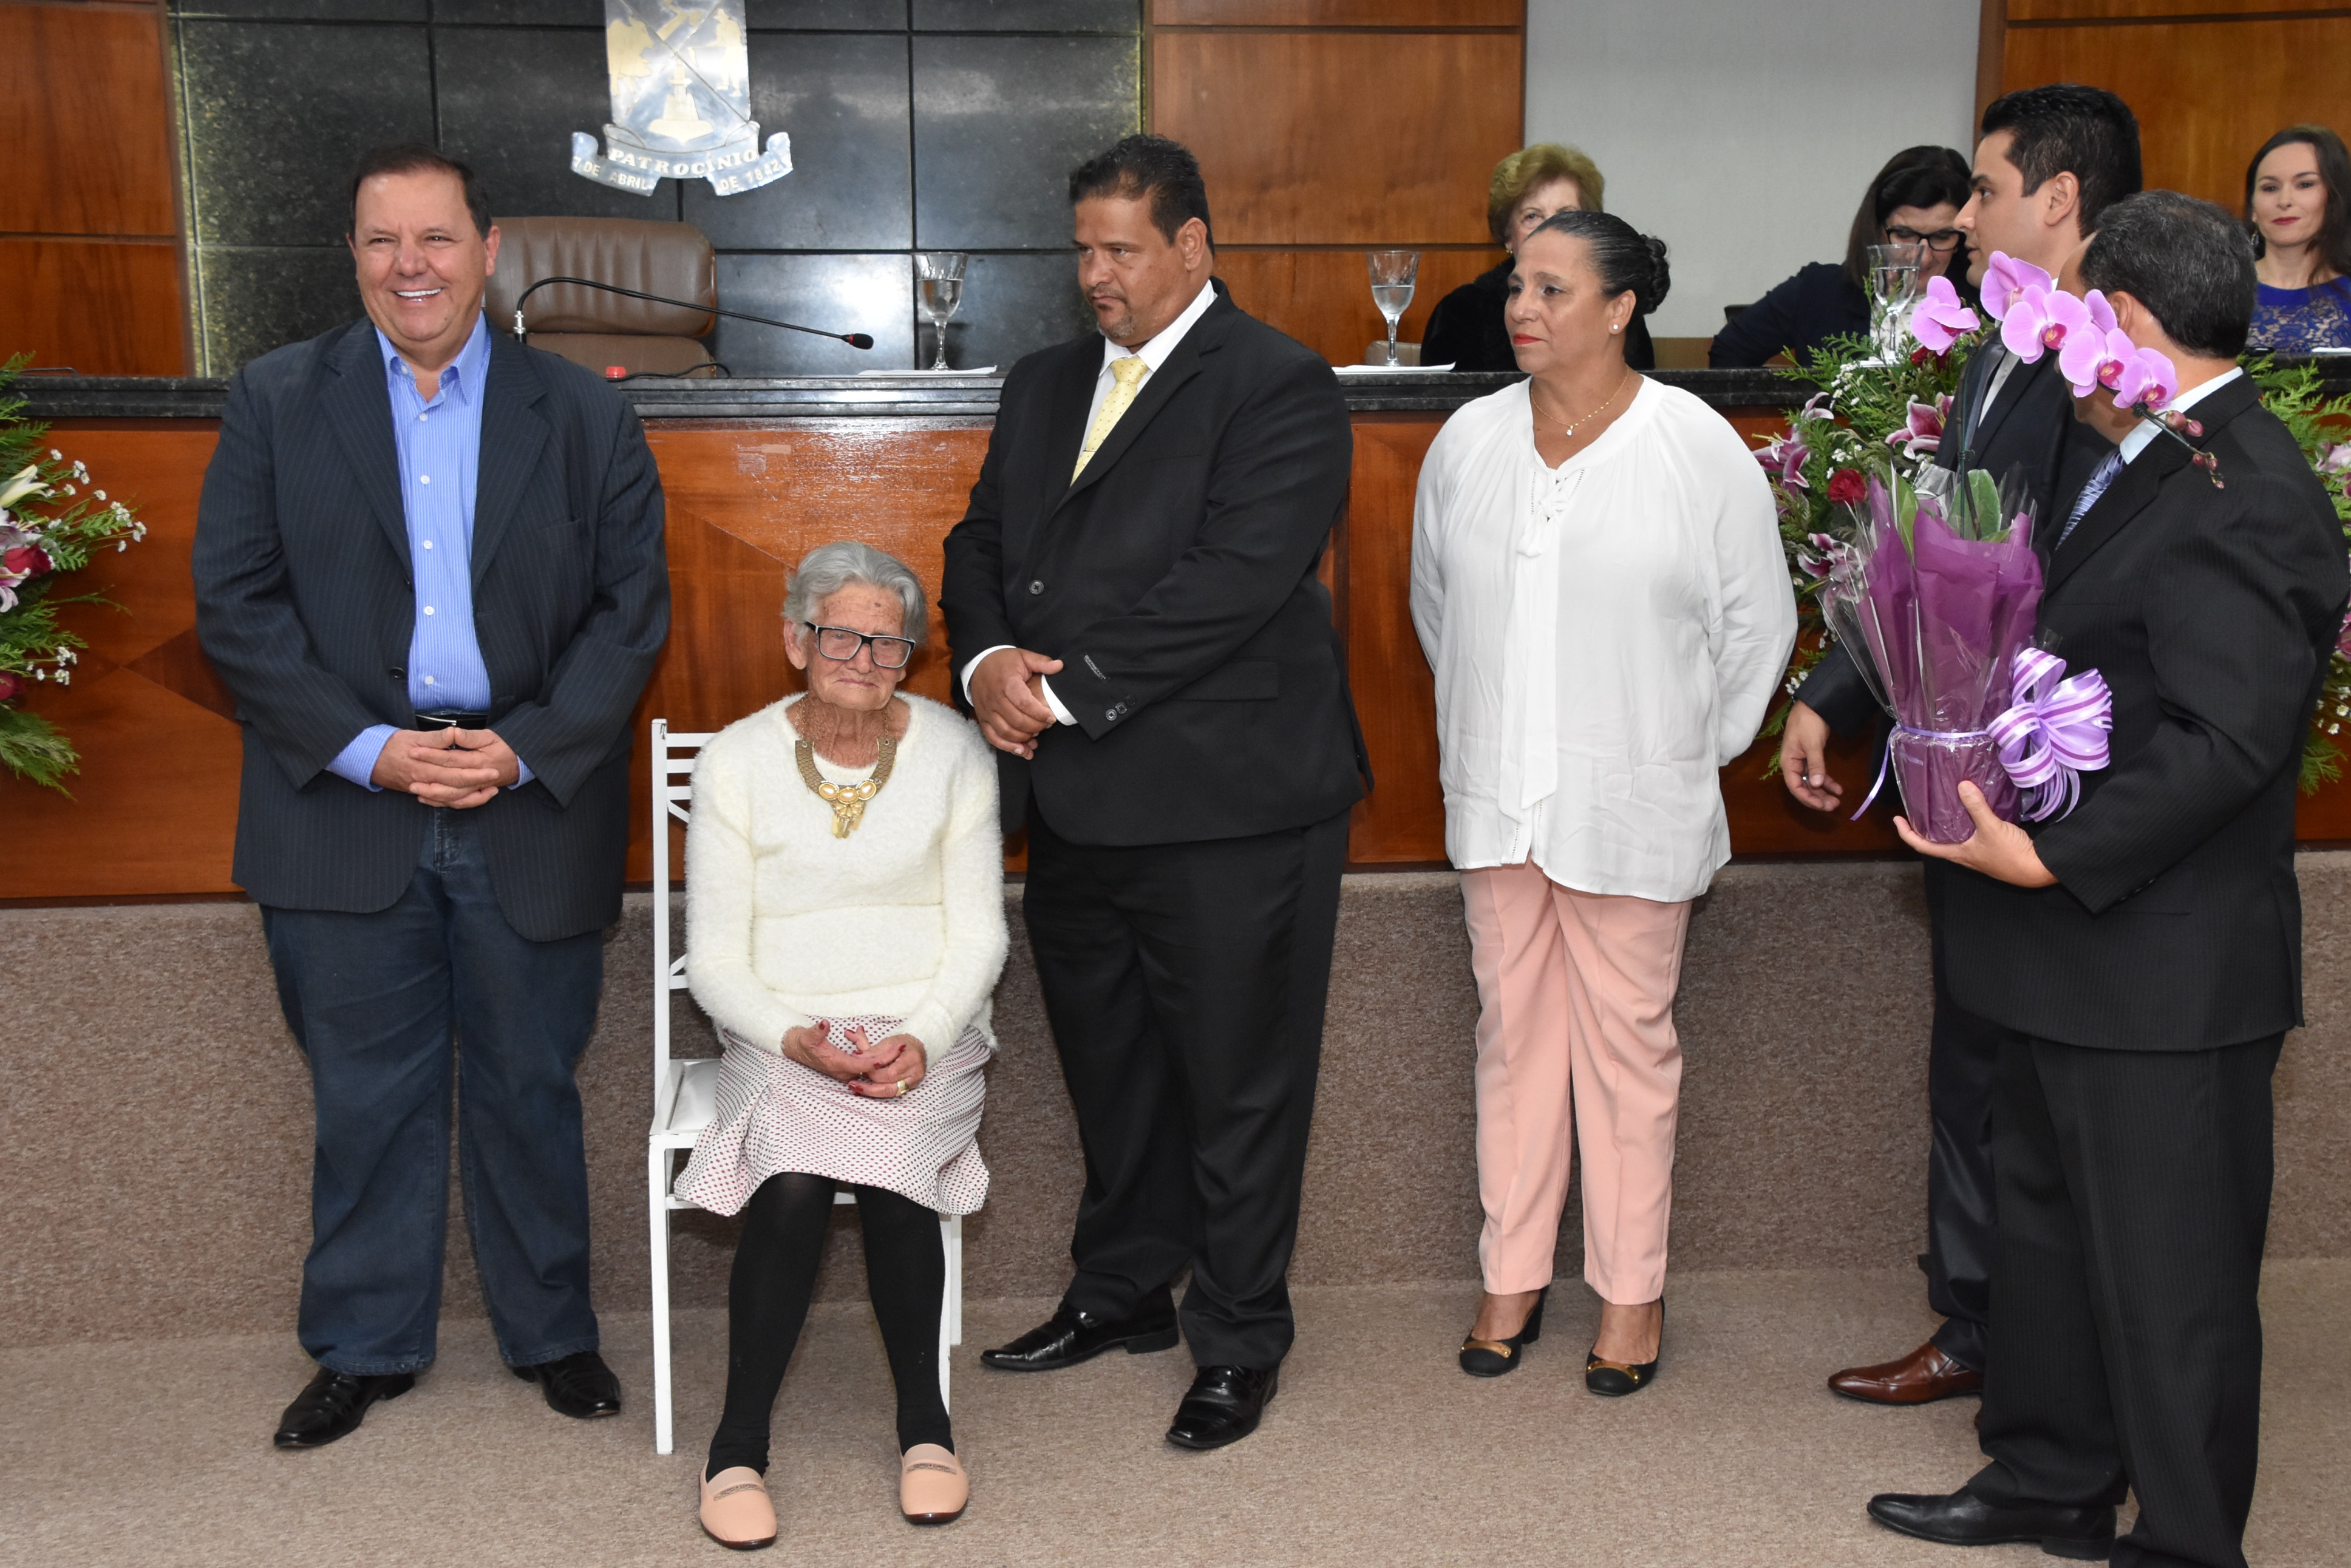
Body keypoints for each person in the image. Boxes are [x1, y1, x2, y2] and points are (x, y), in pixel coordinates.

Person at [1866, 190, 2346, 1568]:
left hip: (2164, 969)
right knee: (2047, 1242)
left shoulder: (2249, 488)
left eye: (2073, 313)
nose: (2052, 340)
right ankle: (2049, 1479)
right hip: (2066, 953)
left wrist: (2050, 850)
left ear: (2122, 319)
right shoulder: (2140, 452)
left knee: (2169, 1282)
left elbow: (2224, 742)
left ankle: (2186, 1541)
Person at [191, 144, 669, 1449]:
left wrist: (521, 748)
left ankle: (552, 1330)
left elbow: (630, 614)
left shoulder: (585, 414)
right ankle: (362, 1344)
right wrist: (368, 748)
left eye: (437, 238)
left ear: (488, 249)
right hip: (342, 800)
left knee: (529, 1083)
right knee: (364, 1094)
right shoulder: (276, 399)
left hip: (529, 797)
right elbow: (236, 607)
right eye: (382, 239)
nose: (411, 265)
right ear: (353, 254)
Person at [940, 134, 1365, 1452]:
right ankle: (1122, 1289)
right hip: (1076, 798)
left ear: (1192, 245)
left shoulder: (1279, 381)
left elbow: (1235, 578)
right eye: (1082, 250)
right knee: (1112, 1068)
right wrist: (986, 662)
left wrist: (1065, 691)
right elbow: (980, 540)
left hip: (1232, 801)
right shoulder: (1043, 380)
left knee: (1238, 1082)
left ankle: (1236, 1334)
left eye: (1120, 250)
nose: (1095, 275)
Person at [1780, 83, 2137, 1411]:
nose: (1964, 220)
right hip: (1961, 753)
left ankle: (2036, 1343)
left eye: (1983, 191)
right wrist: (1836, 690)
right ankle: (1978, 1320)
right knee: (1972, 1057)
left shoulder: (2116, 358)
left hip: (2053, 769)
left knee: (2030, 1075)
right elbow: (1942, 545)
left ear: (2059, 194)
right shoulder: (1999, 342)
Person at [1412, 210, 1795, 1395]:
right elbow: (1438, 611)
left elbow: (1757, 624)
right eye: (1517, 286)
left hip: (1633, 799)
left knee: (1628, 1052)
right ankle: (1512, 1270)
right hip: (1498, 797)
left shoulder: (1693, 444)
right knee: (1512, 1041)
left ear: (1622, 307)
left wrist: (1684, 751)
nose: (1522, 308)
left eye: (1553, 288)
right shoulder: (1468, 441)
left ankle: (1631, 1291)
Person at [676, 543, 1006, 1548]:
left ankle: (927, 1427)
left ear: (909, 654)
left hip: (924, 1030)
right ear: (796, 639)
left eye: (887, 642)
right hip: (782, 1031)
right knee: (790, 1178)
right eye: (840, 636)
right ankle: (735, 1446)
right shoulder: (736, 761)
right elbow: (714, 960)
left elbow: (979, 935)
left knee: (898, 1166)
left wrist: (923, 1035)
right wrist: (795, 1037)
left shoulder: (956, 753)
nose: (863, 658)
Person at [1709, 146, 1973, 367]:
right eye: (1904, 235)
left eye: (1942, 237)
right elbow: (1727, 353)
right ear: (1875, 230)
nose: (1923, 259)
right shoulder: (1818, 291)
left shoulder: (1984, 306)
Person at [1422, 143, 1656, 373]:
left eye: (1566, 216)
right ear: (1507, 234)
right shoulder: (1462, 311)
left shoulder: (1612, 305)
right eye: (1532, 216)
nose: (1550, 229)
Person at [2244, 124, 2351, 351]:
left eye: (2305, 185)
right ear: (2253, 208)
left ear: (2335, 199)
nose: (2284, 201)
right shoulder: (2215, 293)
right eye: (2270, 188)